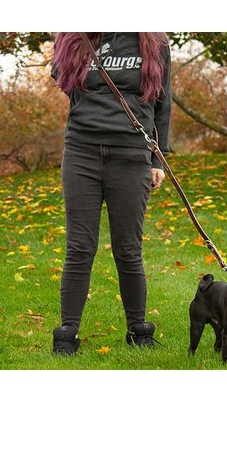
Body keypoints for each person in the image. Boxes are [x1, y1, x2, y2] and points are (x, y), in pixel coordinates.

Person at [50, 32, 172, 355]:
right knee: (79, 246)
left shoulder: (155, 42)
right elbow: (64, 83)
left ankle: (138, 329)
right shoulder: (73, 37)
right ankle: (67, 333)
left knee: (128, 248)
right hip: (81, 151)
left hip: (132, 155)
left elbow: (163, 102)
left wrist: (157, 159)